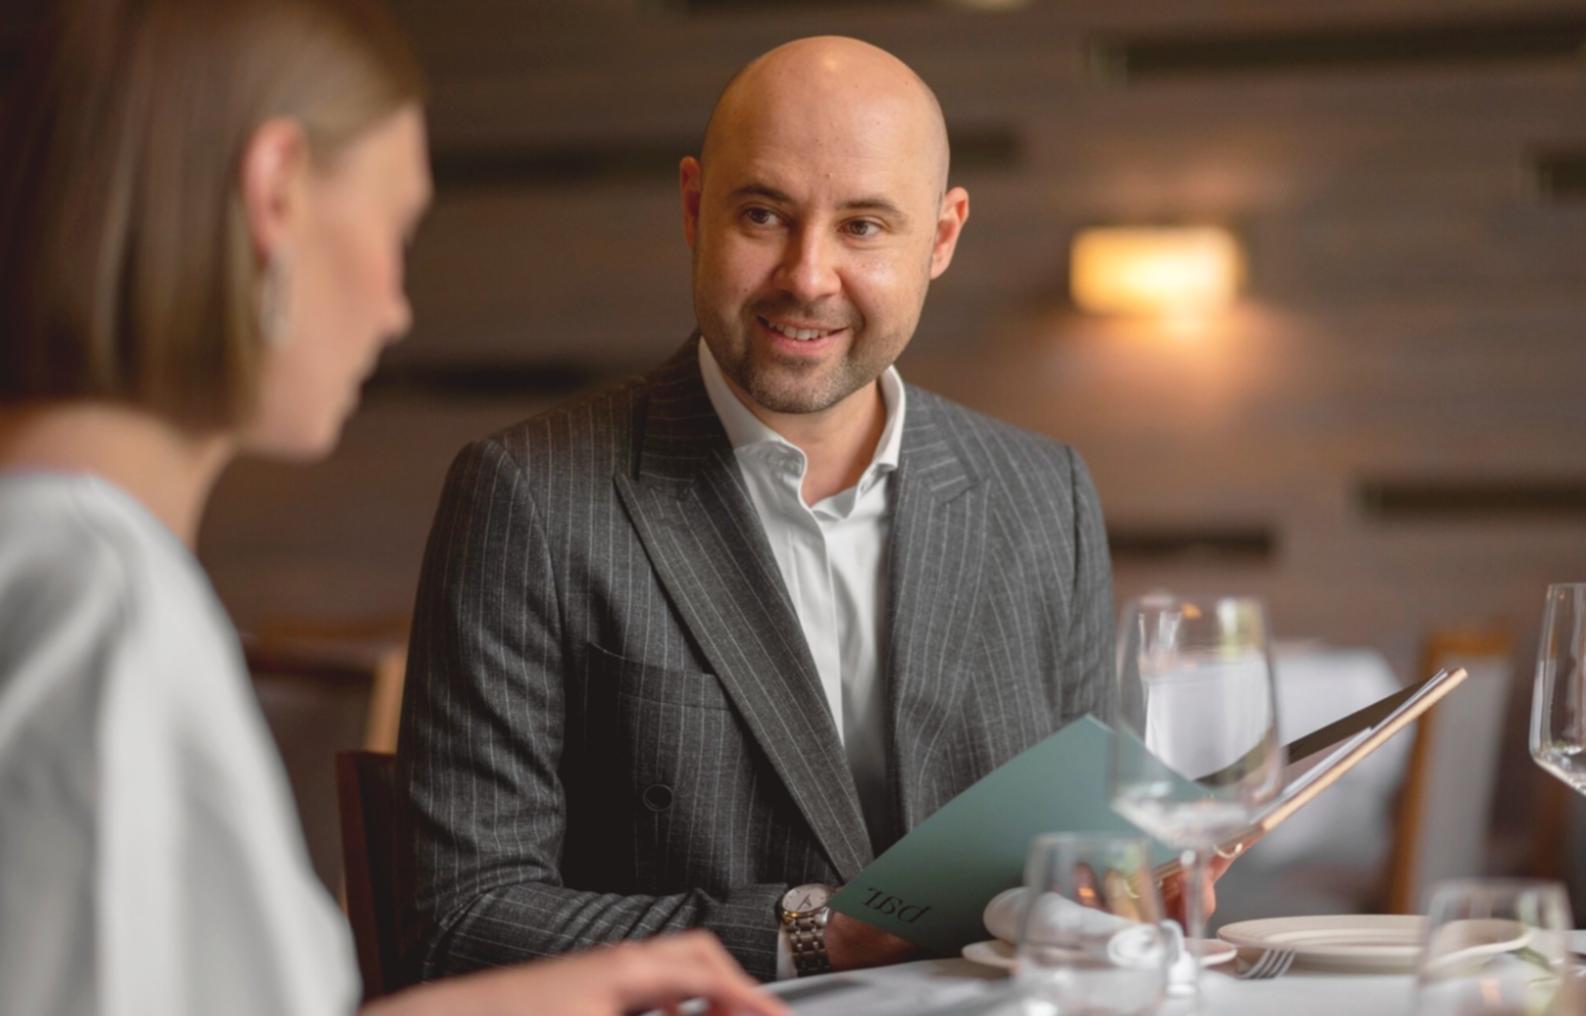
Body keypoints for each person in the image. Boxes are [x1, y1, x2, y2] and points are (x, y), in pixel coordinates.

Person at [0, 2, 785, 1015]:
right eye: (395, 226)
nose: (396, 307)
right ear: (275, 193)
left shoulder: (57, 563)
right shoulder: (98, 603)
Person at [398, 35, 1118, 984]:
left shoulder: (1046, 497)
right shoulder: (526, 496)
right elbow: (462, 916)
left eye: (864, 226)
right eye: (765, 214)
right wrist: (820, 932)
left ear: (940, 238)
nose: (808, 275)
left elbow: (1096, 855)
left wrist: (1136, 881)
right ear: (695, 208)